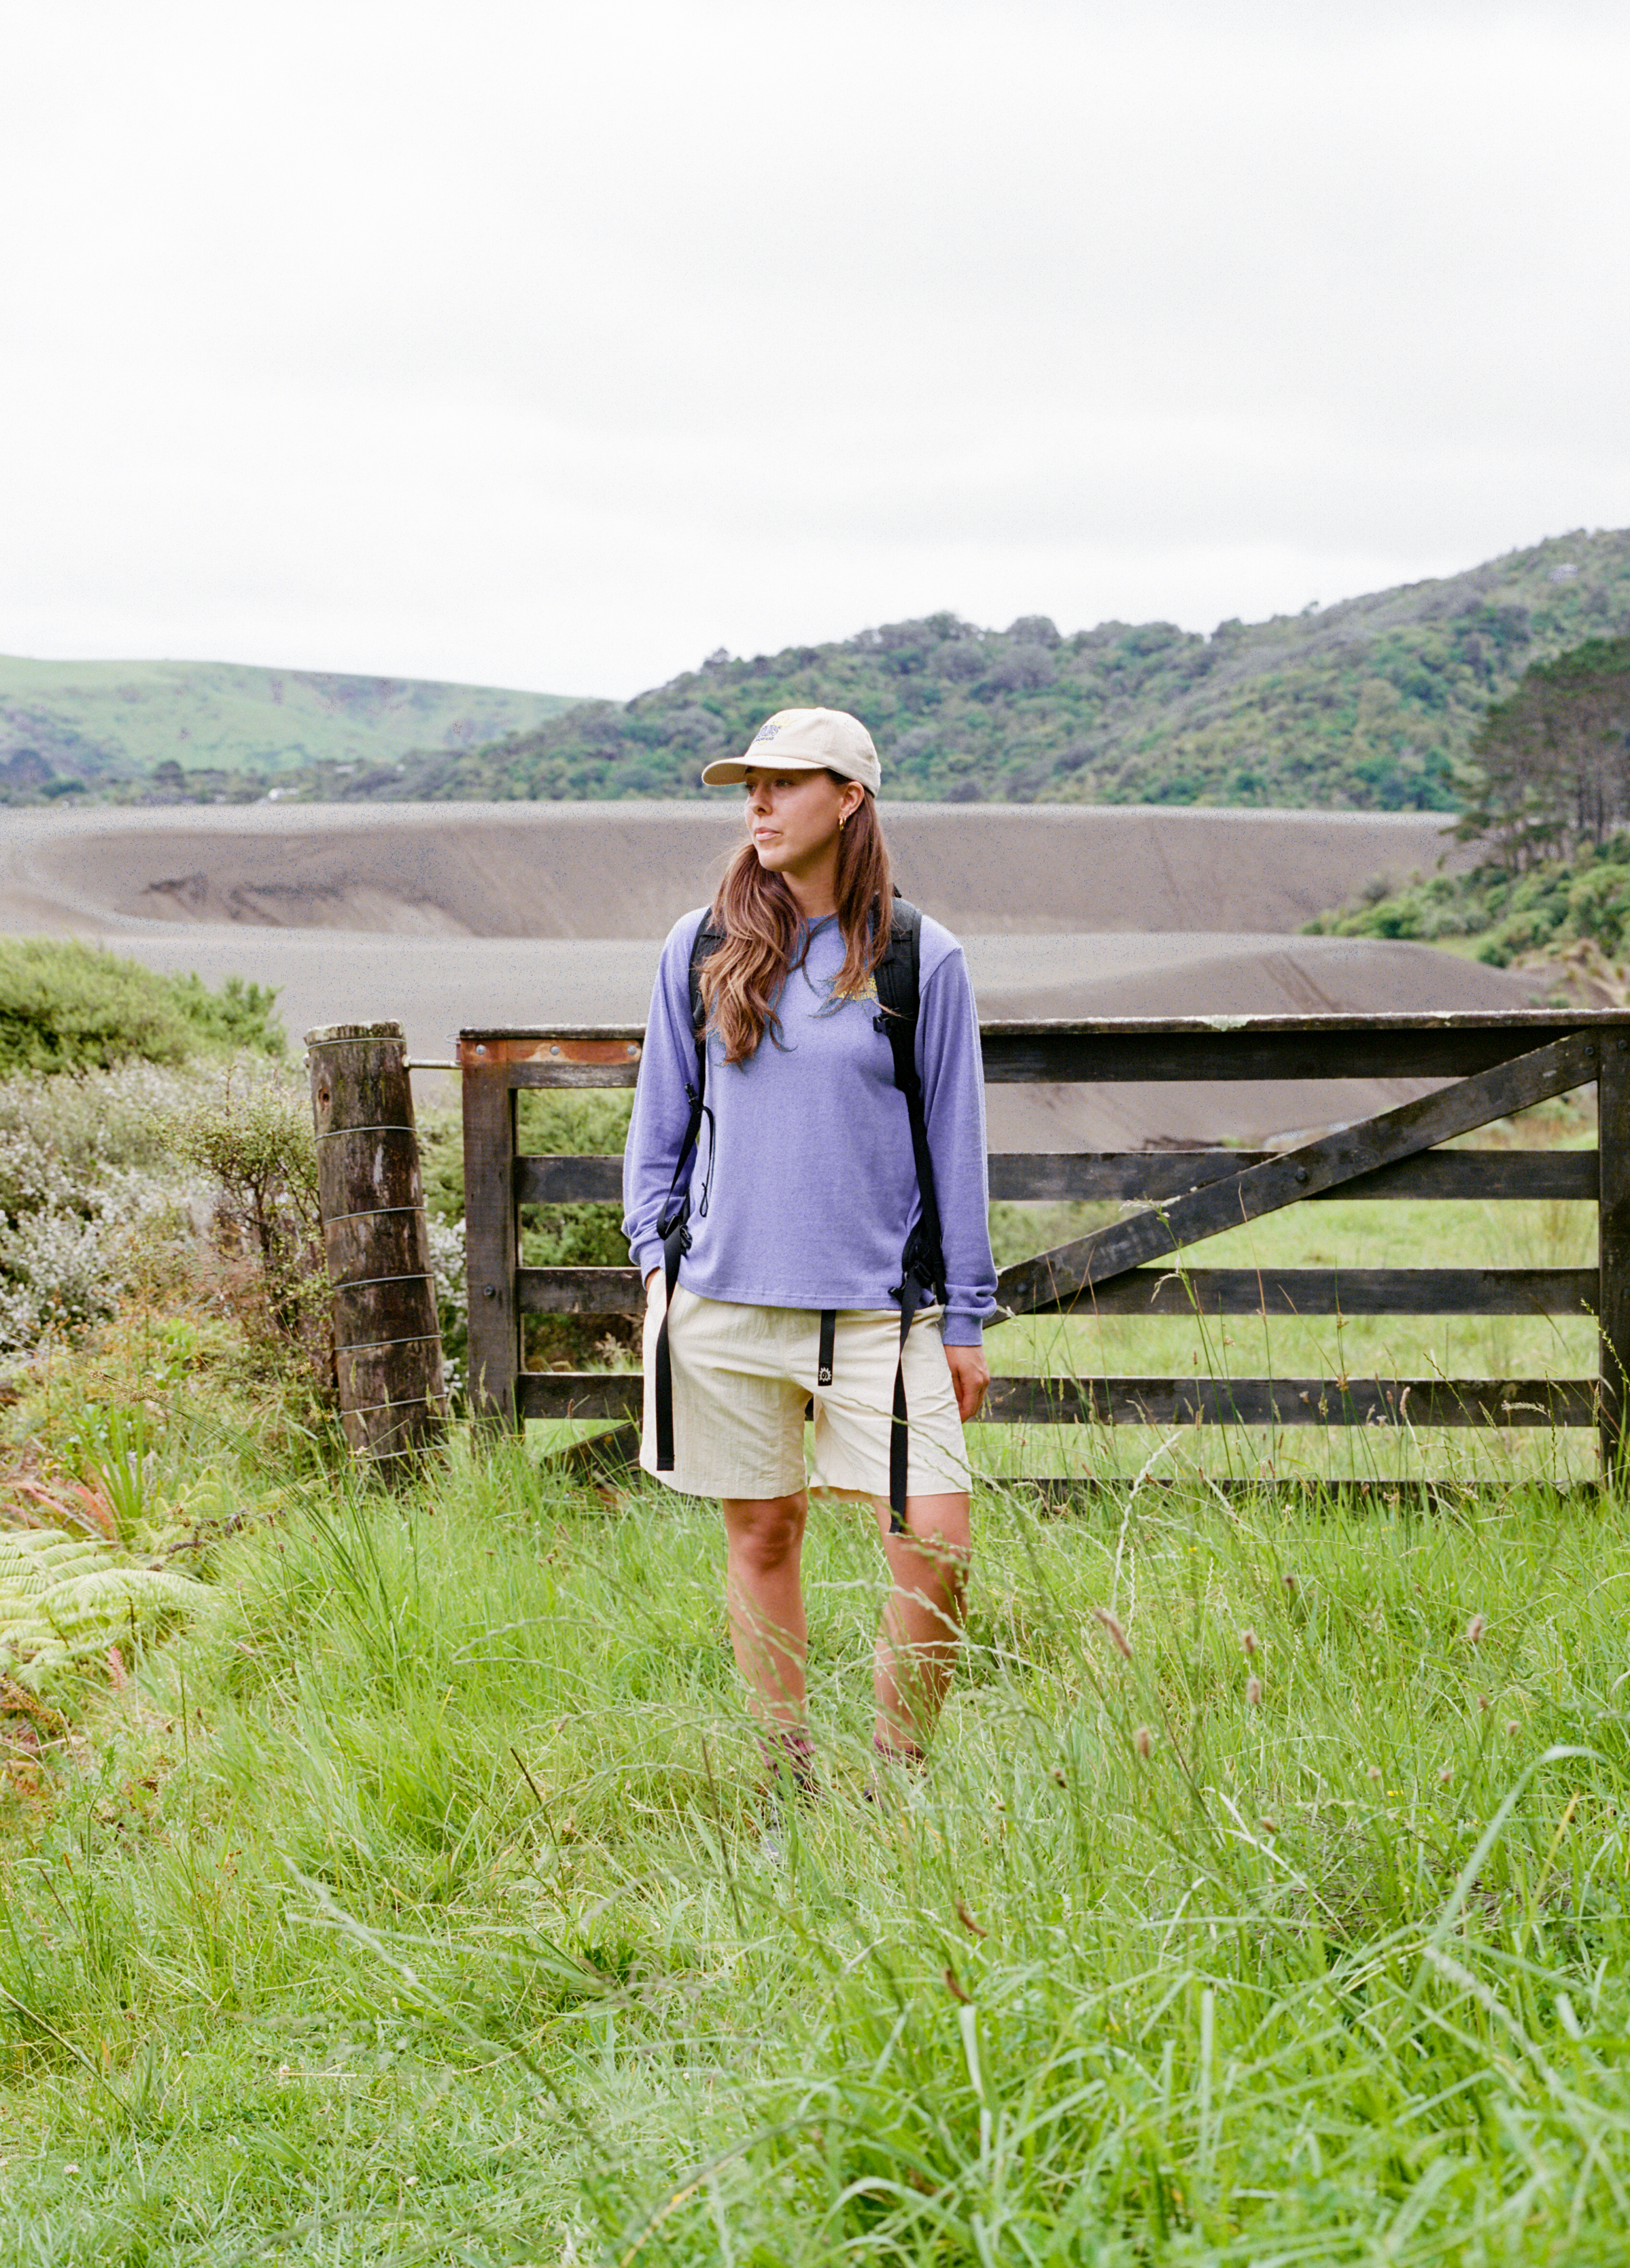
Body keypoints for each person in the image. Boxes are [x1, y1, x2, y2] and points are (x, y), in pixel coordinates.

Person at [622, 706, 996, 1805]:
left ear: (848, 798)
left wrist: (964, 1316)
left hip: (881, 1313)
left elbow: (955, 1141)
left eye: (785, 782)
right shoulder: (700, 945)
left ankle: (896, 1778)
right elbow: (658, 1126)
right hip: (721, 1305)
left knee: (935, 1546)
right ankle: (785, 1776)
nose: (759, 801)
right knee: (762, 1531)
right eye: (751, 783)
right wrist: (656, 1268)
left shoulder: (919, 957)